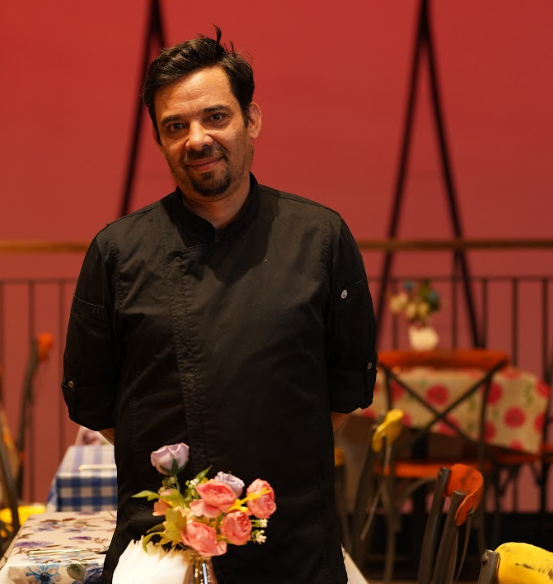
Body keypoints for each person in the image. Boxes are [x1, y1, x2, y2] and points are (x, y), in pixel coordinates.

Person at [61, 28, 377, 583]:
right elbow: (95, 398)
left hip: (291, 542)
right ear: (159, 140)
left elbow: (346, 385)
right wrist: (180, 481)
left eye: (215, 117)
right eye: (175, 126)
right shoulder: (117, 251)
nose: (197, 139)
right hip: (163, 549)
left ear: (251, 120)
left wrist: (272, 455)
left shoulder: (321, 239)